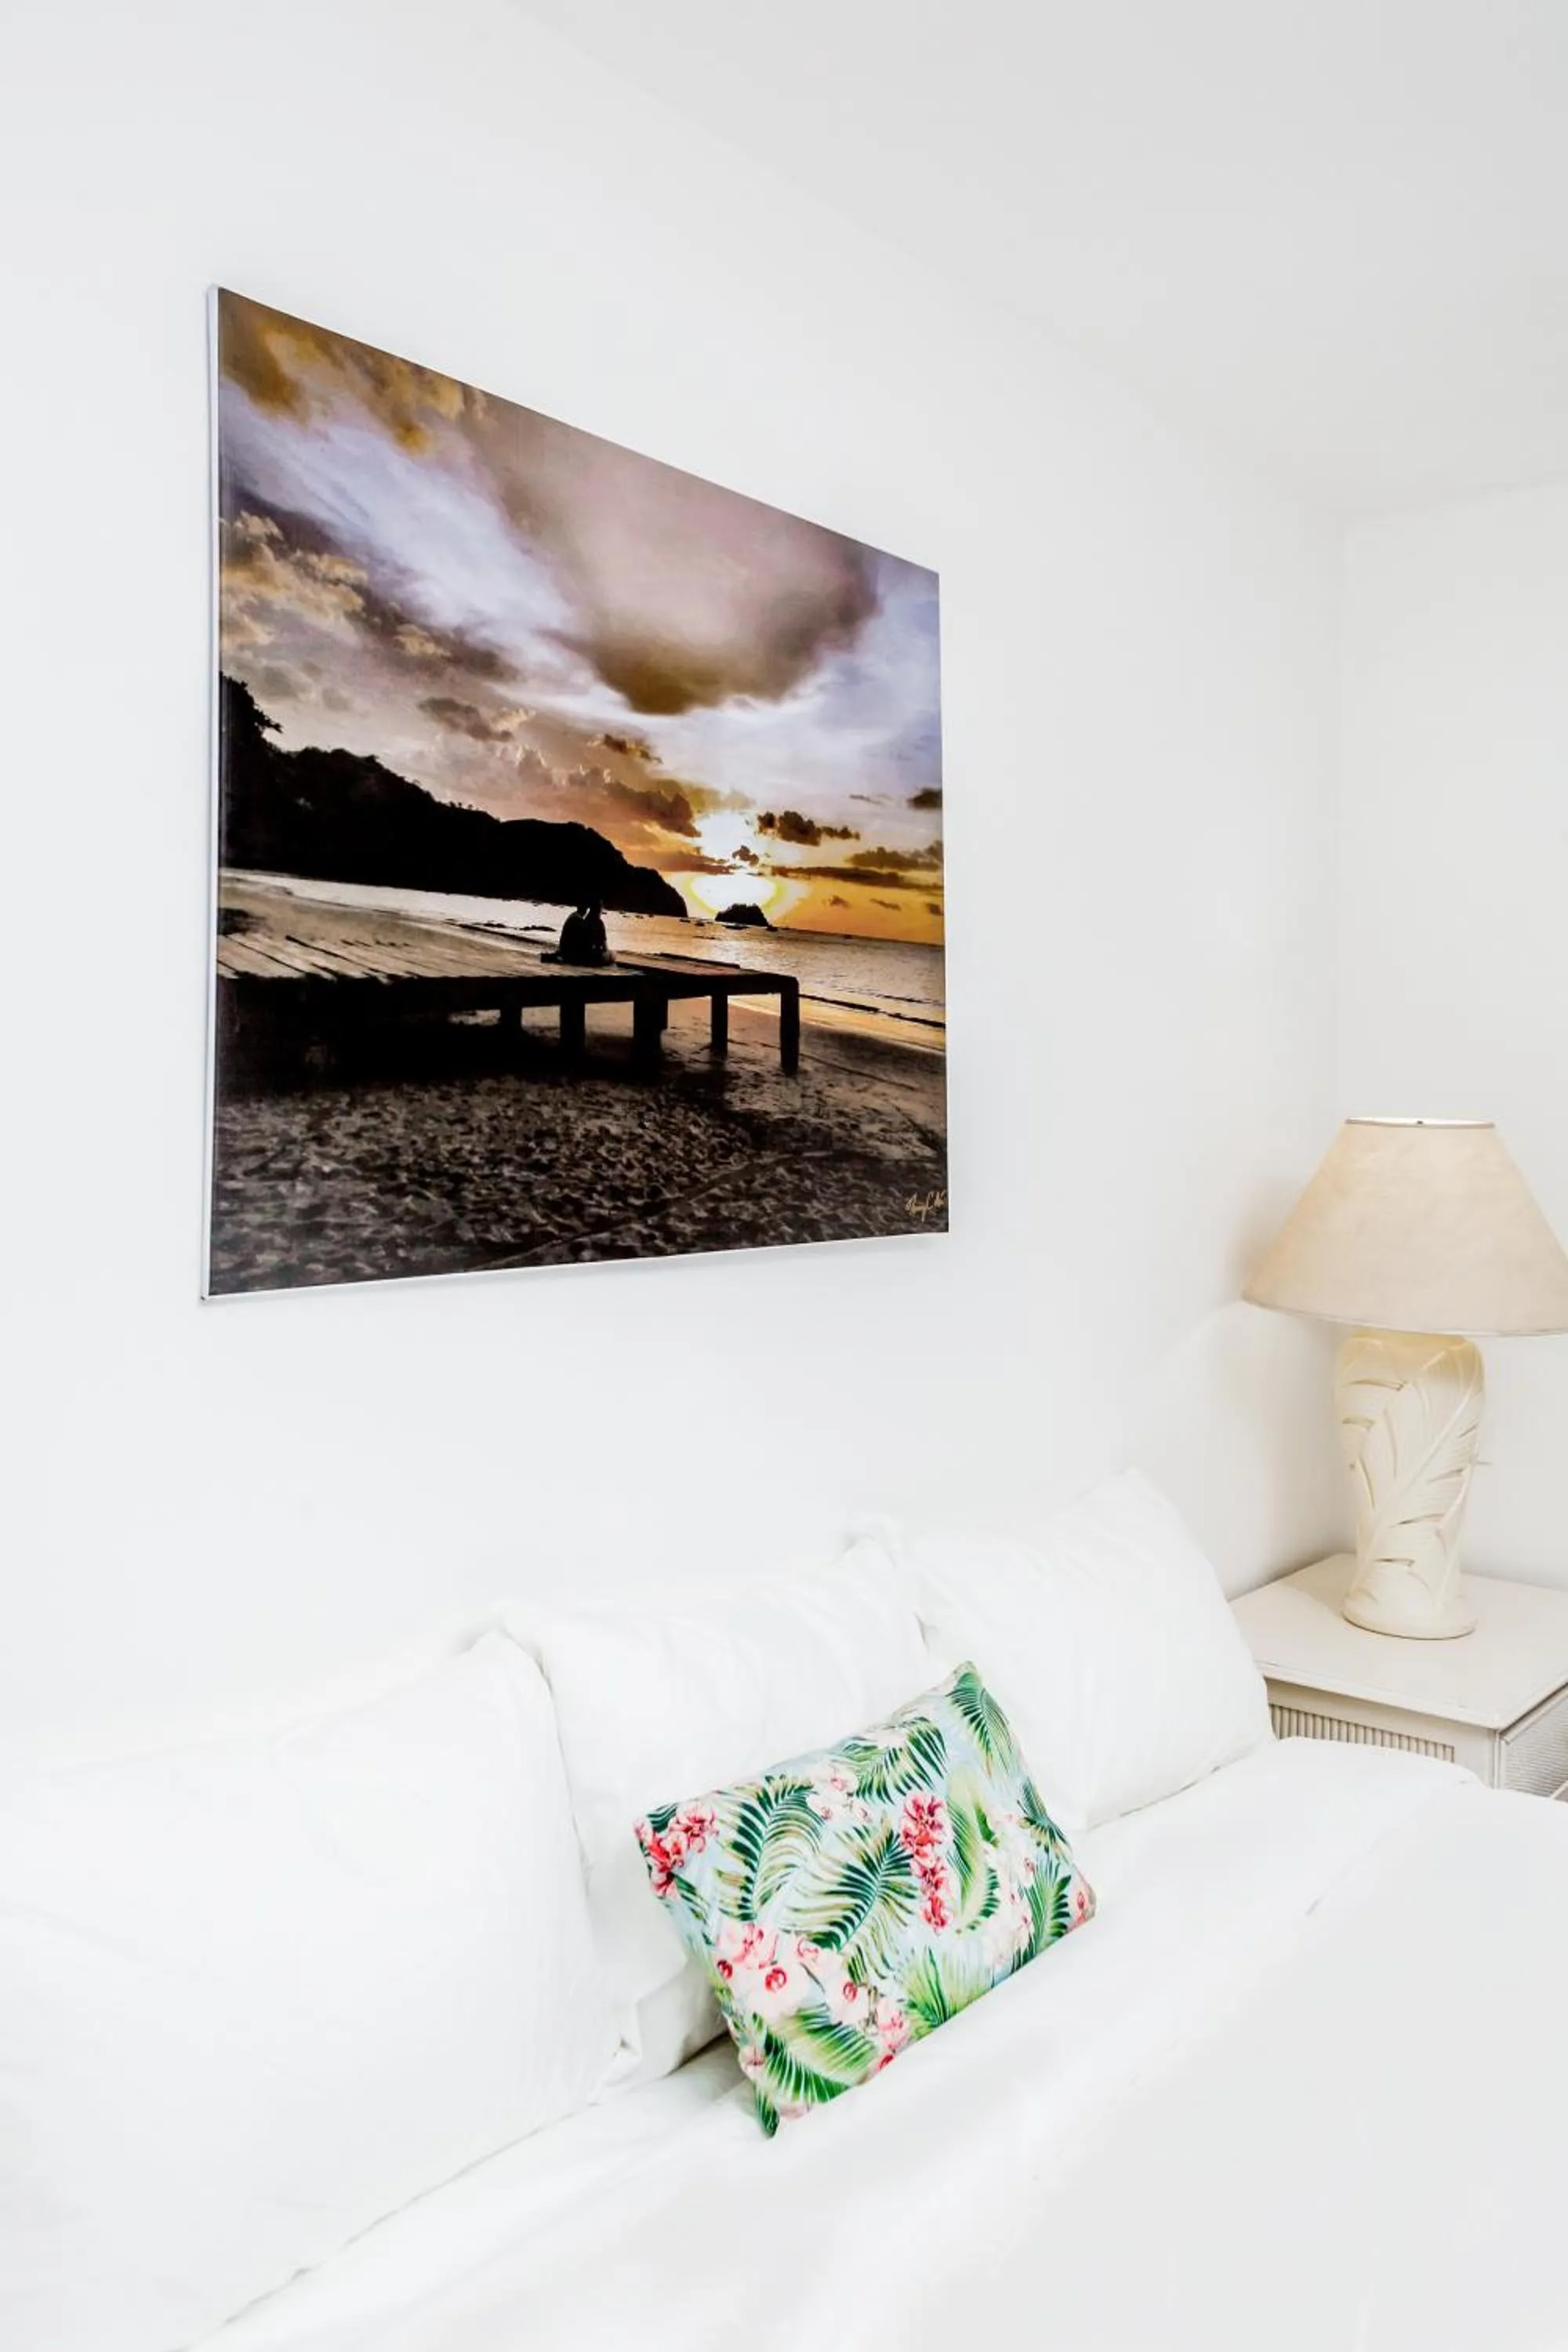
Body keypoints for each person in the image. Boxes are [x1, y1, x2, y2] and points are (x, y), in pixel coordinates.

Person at [545, 900, 612, 966]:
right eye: (585, 907)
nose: (586, 909)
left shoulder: (581, 920)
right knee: (612, 955)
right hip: (575, 953)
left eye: (586, 907)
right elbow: (604, 946)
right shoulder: (580, 920)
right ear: (600, 910)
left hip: (571, 951)